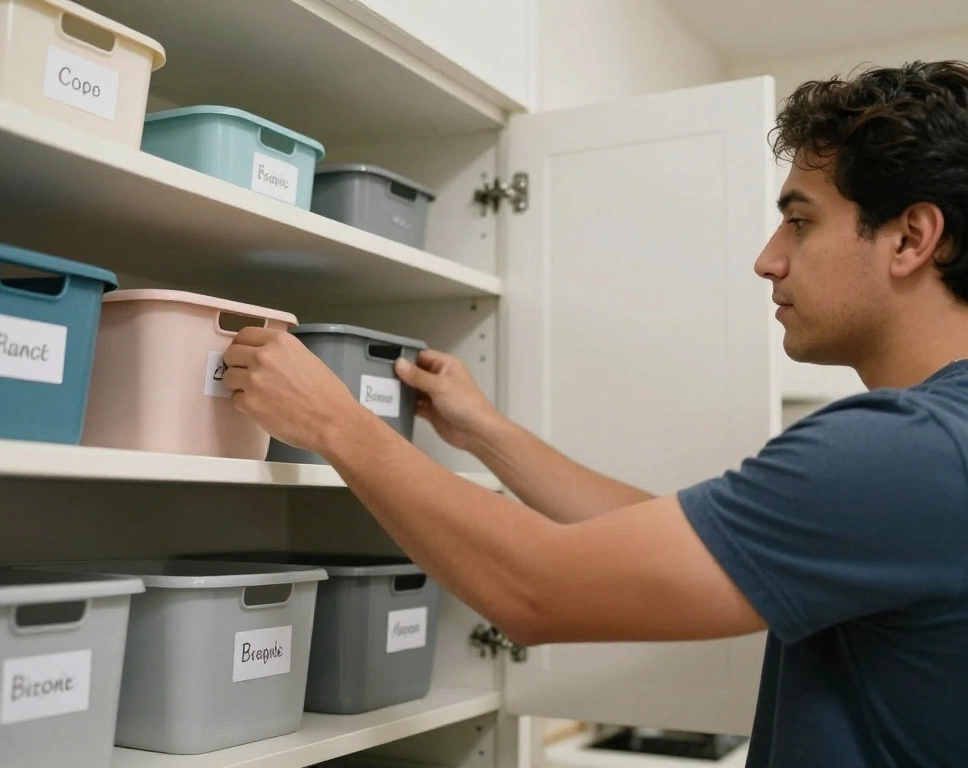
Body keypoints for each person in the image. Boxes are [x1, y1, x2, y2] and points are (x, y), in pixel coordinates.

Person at [223, 61, 968, 767]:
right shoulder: (933, 446)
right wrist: (487, 433)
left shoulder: (904, 449)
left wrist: (334, 421)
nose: (768, 259)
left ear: (910, 238)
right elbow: (683, 542)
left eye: (800, 222)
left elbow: (533, 588)